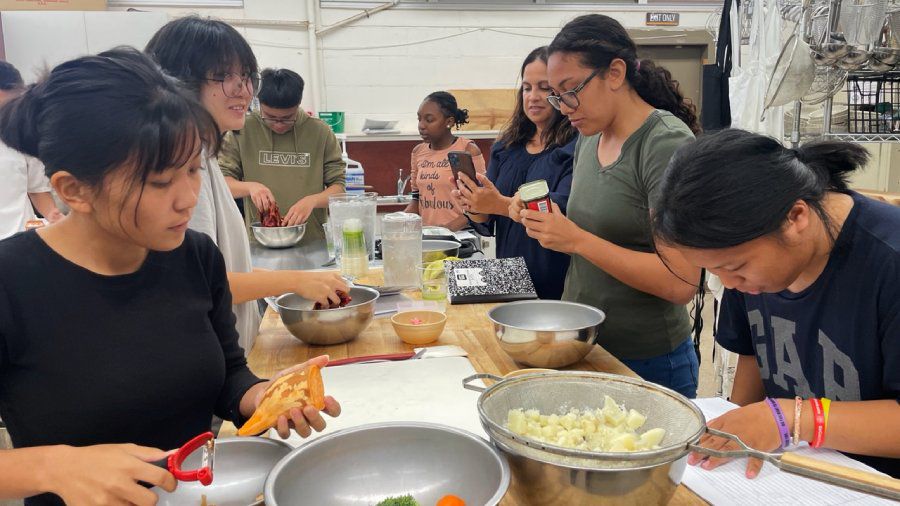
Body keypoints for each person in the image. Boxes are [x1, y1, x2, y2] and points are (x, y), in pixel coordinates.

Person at [0, 48, 340, 506]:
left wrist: (263, 396)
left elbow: (227, 375)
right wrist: (53, 466)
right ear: (73, 190)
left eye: (193, 170)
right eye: (159, 183)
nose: (186, 199)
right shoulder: (12, 281)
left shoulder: (194, 256)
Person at [652, 129, 900, 479]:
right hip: (795, 475)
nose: (730, 285)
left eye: (736, 268)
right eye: (716, 271)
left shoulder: (888, 260)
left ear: (796, 217)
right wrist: (734, 429)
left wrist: (790, 419)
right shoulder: (750, 258)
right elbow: (752, 356)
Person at [515, 14, 703, 398]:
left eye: (570, 90)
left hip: (648, 361)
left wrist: (577, 240)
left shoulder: (664, 144)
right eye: (556, 94)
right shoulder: (590, 135)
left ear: (615, 73)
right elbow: (597, 225)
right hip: (587, 345)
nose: (562, 106)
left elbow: (681, 281)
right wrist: (548, 219)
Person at [146, 17, 347, 352]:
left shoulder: (203, 156)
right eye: (223, 76)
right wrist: (296, 280)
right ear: (178, 80)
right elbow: (196, 282)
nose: (242, 89)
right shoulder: (181, 167)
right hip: (204, 355)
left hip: (226, 351)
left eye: (245, 76)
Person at [453, 47, 577, 299]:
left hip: (557, 281)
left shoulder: (575, 148)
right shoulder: (506, 147)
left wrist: (498, 203)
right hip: (509, 276)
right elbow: (486, 223)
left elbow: (561, 210)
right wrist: (474, 204)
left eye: (544, 87)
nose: (533, 96)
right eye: (527, 87)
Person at [219, 68, 345, 244]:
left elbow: (339, 188)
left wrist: (312, 201)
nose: (278, 125)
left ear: (298, 105)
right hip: (260, 242)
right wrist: (251, 187)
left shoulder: (320, 132)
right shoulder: (241, 130)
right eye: (270, 117)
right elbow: (222, 183)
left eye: (287, 118)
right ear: (259, 104)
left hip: (312, 241)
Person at [404, 91, 486, 231]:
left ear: (449, 122)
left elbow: (480, 203)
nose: (421, 125)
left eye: (429, 120)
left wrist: (447, 230)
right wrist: (398, 222)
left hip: (461, 237)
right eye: (419, 119)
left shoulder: (467, 150)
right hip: (429, 237)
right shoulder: (418, 152)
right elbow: (416, 199)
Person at [0, 61, 62, 239]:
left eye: (7, 107)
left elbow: (36, 188)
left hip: (20, 244)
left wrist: (53, 216)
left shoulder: (21, 136)